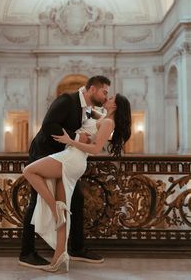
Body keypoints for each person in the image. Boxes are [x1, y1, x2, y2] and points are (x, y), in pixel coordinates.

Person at [23, 93, 131, 272]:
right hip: (71, 157)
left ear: (115, 106)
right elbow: (87, 112)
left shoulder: (108, 123)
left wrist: (70, 140)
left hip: (73, 158)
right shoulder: (103, 118)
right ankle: (59, 258)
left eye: (111, 98)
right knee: (64, 208)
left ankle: (53, 207)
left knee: (29, 170)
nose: (107, 98)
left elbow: (95, 149)